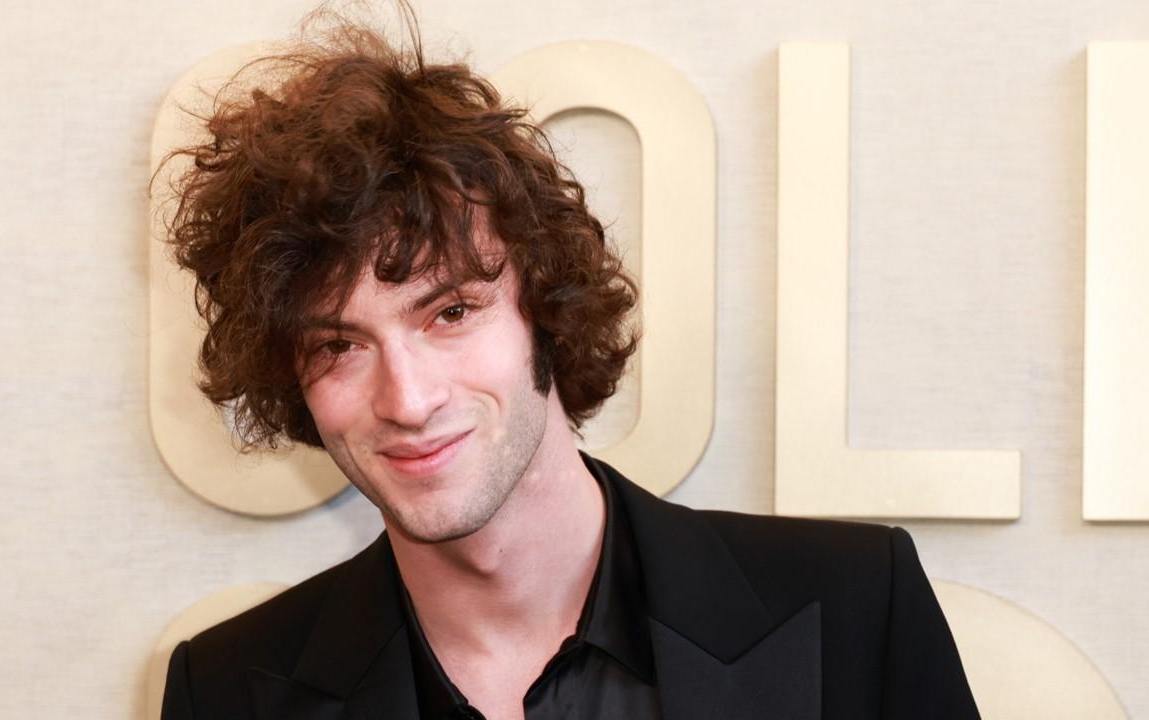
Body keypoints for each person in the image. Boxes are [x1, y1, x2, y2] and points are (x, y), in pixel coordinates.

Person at [156, 7, 979, 719]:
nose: (405, 399)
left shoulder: (857, 610)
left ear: (544, 312)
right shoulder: (224, 692)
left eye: (449, 312)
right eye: (338, 345)